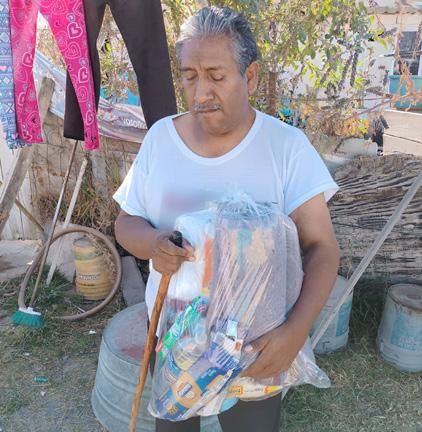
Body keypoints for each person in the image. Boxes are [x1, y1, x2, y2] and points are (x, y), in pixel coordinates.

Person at [113, 6, 340, 432]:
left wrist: (296, 331)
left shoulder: (285, 148)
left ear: (249, 77)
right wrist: (152, 244)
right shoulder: (161, 139)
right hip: (175, 336)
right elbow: (126, 223)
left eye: (216, 76)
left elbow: (323, 248)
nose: (201, 93)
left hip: (258, 343)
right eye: (189, 76)